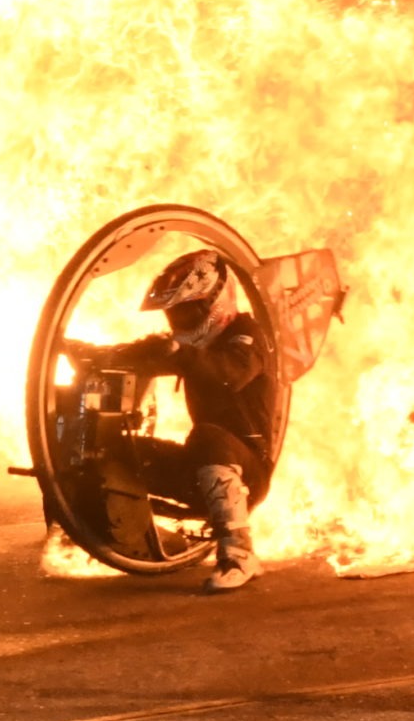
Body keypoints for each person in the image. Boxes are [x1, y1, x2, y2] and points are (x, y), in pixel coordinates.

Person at [73, 250, 276, 593]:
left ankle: (240, 553)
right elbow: (140, 355)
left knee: (208, 436)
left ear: (213, 301)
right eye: (173, 313)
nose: (177, 321)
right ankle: (98, 533)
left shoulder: (248, 335)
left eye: (185, 311)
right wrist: (87, 352)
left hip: (248, 471)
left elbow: (229, 374)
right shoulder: (191, 346)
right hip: (198, 469)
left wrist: (178, 354)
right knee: (108, 447)